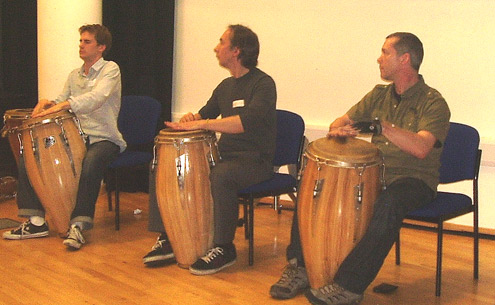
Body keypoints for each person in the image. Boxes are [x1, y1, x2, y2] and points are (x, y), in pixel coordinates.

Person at [269, 32, 450, 305]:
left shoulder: (433, 102)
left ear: (404, 59)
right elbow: (337, 123)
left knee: (390, 202)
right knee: (312, 184)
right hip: (373, 175)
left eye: (385, 52)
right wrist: (341, 131)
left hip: (414, 180)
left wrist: (383, 127)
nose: (379, 58)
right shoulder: (378, 95)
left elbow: (422, 148)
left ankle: (348, 286)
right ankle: (300, 267)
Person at [143, 24, 277, 275]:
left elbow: (242, 123)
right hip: (222, 156)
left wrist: (203, 123)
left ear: (236, 50)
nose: (216, 47)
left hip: (254, 161)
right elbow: (204, 115)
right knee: (163, 165)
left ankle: (224, 247)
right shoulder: (225, 86)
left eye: (222, 41)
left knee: (222, 175)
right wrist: (189, 119)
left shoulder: (263, 84)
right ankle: (169, 235)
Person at [2, 24, 126, 250]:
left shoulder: (111, 70)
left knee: (91, 163)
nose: (81, 45)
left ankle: (78, 225)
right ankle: (36, 222)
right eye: (80, 41)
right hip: (75, 138)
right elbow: (60, 99)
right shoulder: (74, 75)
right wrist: (46, 102)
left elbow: (96, 98)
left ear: (101, 47)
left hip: (104, 139)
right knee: (31, 156)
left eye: (87, 42)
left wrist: (67, 104)